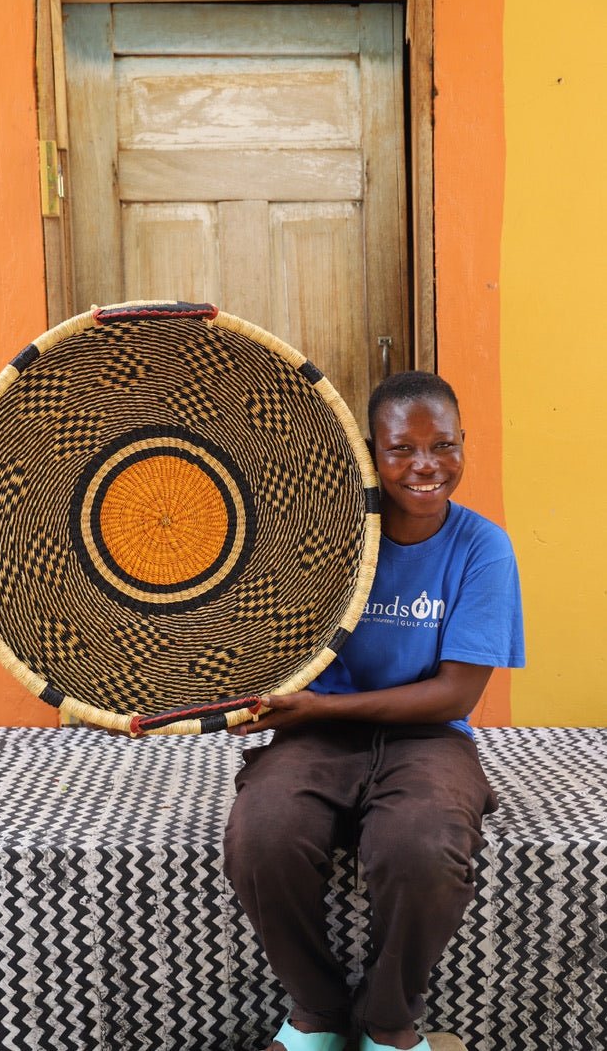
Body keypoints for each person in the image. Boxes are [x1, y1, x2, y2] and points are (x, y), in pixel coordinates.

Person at [224, 370, 525, 1051]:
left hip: (428, 738)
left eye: (443, 445)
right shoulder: (331, 539)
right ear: (370, 451)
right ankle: (317, 1016)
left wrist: (320, 708)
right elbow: (265, 637)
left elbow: (455, 694)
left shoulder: (482, 548)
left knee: (419, 846)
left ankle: (389, 1024)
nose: (425, 466)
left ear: (462, 445)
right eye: (401, 449)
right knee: (262, 837)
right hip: (317, 735)